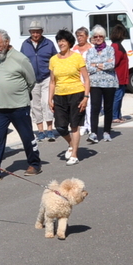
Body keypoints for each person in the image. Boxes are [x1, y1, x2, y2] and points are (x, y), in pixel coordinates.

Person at [0, 29, 43, 181]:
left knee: (27, 136)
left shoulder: (20, 58)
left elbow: (31, 80)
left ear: (7, 42)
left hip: (19, 105)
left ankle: (34, 164)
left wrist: (20, 94)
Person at [47, 29, 89, 165]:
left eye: (63, 41)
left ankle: (74, 155)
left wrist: (86, 97)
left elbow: (86, 79)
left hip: (76, 94)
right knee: (60, 126)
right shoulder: (53, 60)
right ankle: (71, 143)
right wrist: (49, 98)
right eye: (59, 41)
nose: (61, 43)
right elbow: (52, 81)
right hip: (59, 96)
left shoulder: (77, 57)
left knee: (75, 125)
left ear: (69, 42)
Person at [21, 23, 55, 142]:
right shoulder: (25, 44)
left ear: (42, 32)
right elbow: (22, 61)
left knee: (47, 103)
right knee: (35, 105)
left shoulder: (49, 43)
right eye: (33, 32)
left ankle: (50, 129)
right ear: (30, 32)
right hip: (32, 79)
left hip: (46, 78)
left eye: (38, 32)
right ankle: (40, 131)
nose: (35, 34)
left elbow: (55, 59)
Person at [84, 26, 118, 142]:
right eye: (95, 36)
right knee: (95, 107)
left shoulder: (110, 49)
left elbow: (112, 65)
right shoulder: (90, 51)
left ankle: (107, 131)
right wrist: (103, 64)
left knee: (108, 108)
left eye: (100, 36)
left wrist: (96, 65)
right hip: (95, 83)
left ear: (104, 37)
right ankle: (93, 132)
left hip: (109, 83)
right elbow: (88, 67)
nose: (98, 38)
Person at [110, 24, 130, 123]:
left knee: (119, 96)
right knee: (117, 97)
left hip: (121, 76)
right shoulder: (116, 47)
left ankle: (118, 115)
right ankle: (114, 116)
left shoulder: (117, 45)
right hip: (118, 76)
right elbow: (115, 62)